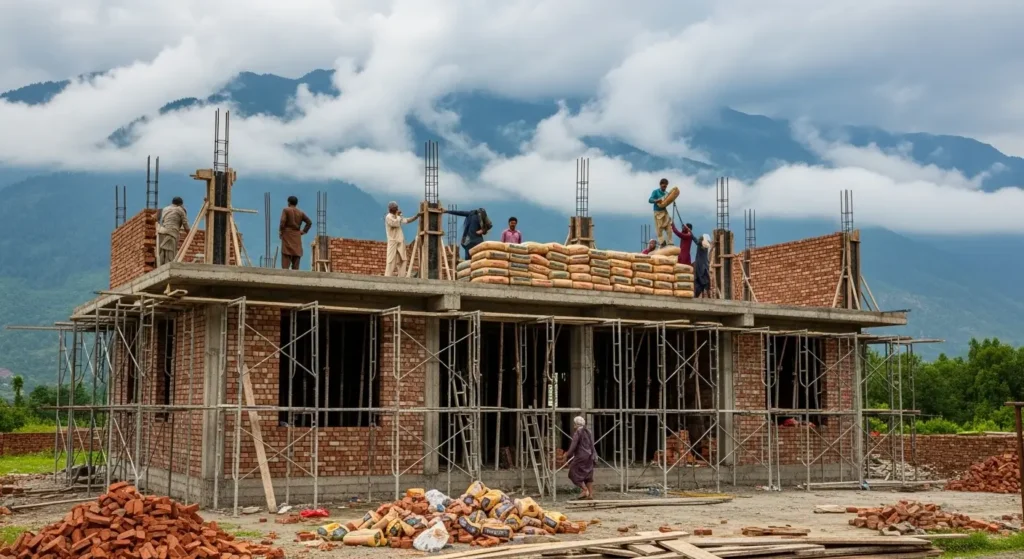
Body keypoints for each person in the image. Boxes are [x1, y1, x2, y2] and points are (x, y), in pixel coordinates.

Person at [384, 201, 420, 276]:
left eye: (397, 208)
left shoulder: (398, 217)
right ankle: (387, 276)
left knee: (403, 259)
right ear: (391, 209)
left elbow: (406, 220)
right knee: (391, 260)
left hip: (400, 241)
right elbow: (395, 223)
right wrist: (399, 216)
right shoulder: (388, 217)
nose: (397, 209)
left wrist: (416, 216)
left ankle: (401, 276)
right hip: (393, 242)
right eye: (396, 208)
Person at [565, 416, 596, 500]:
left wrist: (567, 454)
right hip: (590, 456)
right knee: (588, 475)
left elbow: (573, 445)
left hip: (581, 456)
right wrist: (594, 456)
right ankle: (591, 495)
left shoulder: (578, 432)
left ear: (576, 424)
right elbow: (592, 445)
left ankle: (584, 490)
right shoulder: (588, 431)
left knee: (573, 473)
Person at [279, 196, 312, 270]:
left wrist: (281, 232)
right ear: (296, 203)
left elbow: (282, 222)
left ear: (289, 202)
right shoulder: (300, 212)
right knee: (296, 255)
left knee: (286, 255)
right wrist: (303, 231)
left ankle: (285, 276)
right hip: (297, 236)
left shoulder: (286, 210)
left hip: (287, 235)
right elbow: (309, 222)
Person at [156, 197, 189, 266]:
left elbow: (163, 220)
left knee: (162, 253)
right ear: (180, 204)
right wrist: (190, 234)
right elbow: (185, 224)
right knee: (170, 254)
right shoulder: (180, 210)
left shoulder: (165, 209)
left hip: (162, 232)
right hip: (171, 232)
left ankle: (161, 266)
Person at [648, 178, 672, 247]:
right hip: (658, 212)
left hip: (664, 211)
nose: (665, 187)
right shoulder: (655, 192)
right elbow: (650, 200)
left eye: (666, 186)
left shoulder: (666, 193)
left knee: (668, 227)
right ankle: (662, 242)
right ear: (660, 185)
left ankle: (670, 242)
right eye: (663, 186)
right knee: (659, 228)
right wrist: (656, 200)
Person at [694, 233, 712, 298]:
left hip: (700, 267)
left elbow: (694, 239)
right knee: (705, 282)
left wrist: (690, 232)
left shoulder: (701, 244)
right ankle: (707, 295)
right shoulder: (706, 246)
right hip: (704, 267)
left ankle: (699, 295)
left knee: (700, 282)